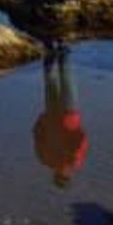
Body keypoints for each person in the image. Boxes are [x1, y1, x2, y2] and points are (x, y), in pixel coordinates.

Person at [32, 42, 88, 188]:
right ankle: (55, 50)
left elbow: (82, 139)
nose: (67, 173)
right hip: (59, 114)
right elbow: (37, 136)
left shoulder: (70, 162)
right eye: (66, 176)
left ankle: (58, 50)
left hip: (65, 115)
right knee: (55, 81)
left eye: (65, 176)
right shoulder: (48, 160)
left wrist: (44, 120)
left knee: (62, 81)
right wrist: (44, 119)